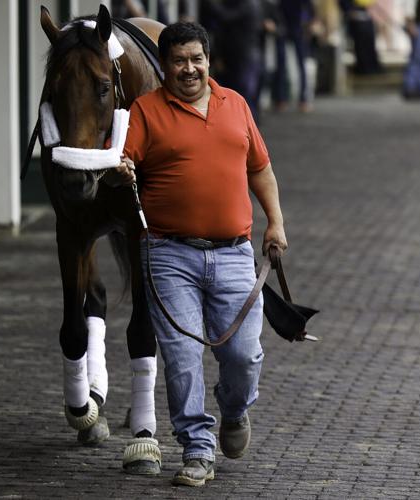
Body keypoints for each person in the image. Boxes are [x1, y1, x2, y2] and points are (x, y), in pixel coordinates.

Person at [107, 21, 288, 487]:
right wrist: (121, 169)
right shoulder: (145, 110)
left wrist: (276, 222)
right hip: (169, 255)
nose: (189, 69)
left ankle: (233, 411)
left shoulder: (236, 105)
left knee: (245, 356)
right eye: (179, 61)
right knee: (183, 357)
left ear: (209, 61)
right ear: (164, 65)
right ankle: (197, 449)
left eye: (196, 59)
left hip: (234, 255)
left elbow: (261, 170)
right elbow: (119, 169)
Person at [204, 0, 266, 120]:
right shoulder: (242, 4)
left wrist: (209, 2)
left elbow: (225, 16)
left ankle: (248, 129)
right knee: (238, 93)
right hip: (238, 56)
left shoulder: (248, 4)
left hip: (245, 57)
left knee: (244, 94)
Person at [273, 0, 316, 112]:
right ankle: (282, 99)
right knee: (283, 64)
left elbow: (309, 8)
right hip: (287, 27)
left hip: (295, 27)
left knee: (296, 64)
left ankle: (300, 99)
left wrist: (307, 22)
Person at [339, 0, 383, 74]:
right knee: (361, 47)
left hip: (366, 19)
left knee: (369, 45)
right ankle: (364, 68)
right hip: (357, 21)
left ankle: (372, 67)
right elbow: (345, 6)